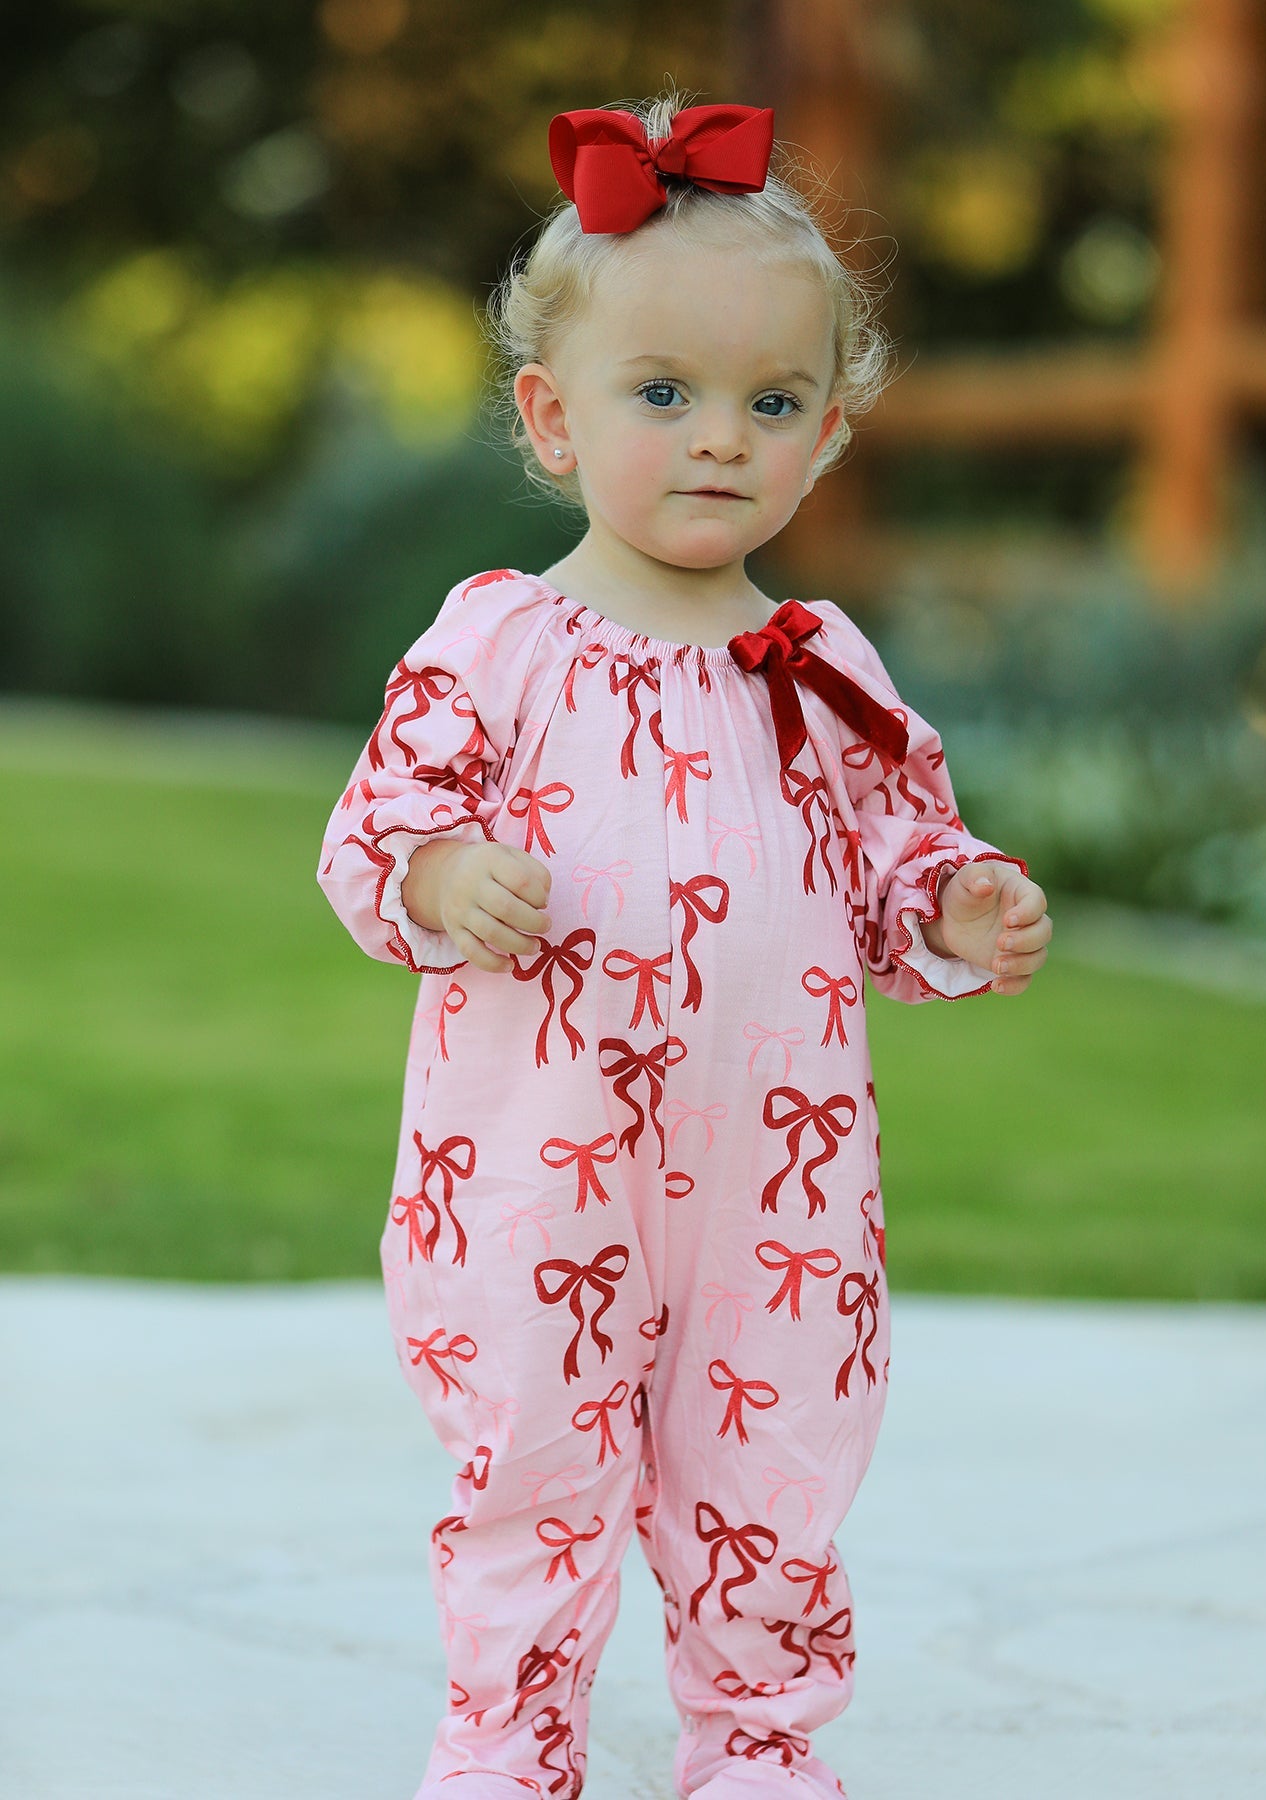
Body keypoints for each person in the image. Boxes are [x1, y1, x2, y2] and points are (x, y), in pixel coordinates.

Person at [317, 93, 1051, 1800]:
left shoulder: (815, 663)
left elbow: (894, 858)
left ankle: (761, 1746)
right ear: (550, 418)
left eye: (770, 401)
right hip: (540, 1172)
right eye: (663, 393)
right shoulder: (500, 638)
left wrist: (954, 901)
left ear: (827, 436)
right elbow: (373, 825)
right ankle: (510, 1742)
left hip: (777, 1188)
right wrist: (436, 878)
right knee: (530, 1456)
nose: (719, 435)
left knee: (773, 1454)